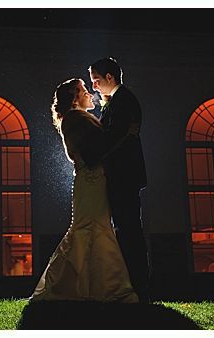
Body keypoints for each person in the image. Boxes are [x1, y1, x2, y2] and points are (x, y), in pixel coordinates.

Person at [29, 78, 137, 303]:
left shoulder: (77, 118)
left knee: (93, 229)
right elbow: (97, 148)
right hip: (91, 181)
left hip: (93, 181)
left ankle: (90, 287)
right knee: (88, 228)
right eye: (84, 90)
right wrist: (125, 134)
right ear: (75, 97)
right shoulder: (75, 118)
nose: (89, 93)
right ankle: (93, 287)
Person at [89, 57, 150, 303]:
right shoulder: (117, 101)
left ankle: (137, 286)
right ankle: (133, 285)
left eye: (96, 80)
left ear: (110, 78)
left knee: (128, 230)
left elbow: (112, 137)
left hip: (123, 176)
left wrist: (90, 158)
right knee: (125, 229)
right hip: (122, 176)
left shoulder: (123, 101)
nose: (93, 86)